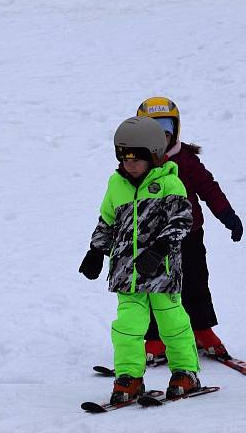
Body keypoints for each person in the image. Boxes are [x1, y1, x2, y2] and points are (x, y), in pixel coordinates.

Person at [79, 116, 201, 403]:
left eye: (137, 157)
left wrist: (159, 250)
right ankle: (129, 377)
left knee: (173, 323)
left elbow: (182, 221)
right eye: (123, 157)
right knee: (127, 327)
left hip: (161, 271)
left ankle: (186, 372)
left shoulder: (170, 184)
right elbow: (107, 222)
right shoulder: (116, 185)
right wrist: (96, 250)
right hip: (126, 274)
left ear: (155, 155)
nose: (129, 163)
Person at [135, 97, 242, 361]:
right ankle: (157, 338)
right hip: (153, 240)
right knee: (155, 288)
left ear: (176, 127)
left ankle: (201, 329)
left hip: (189, 235)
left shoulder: (186, 160)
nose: (161, 133)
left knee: (195, 282)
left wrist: (227, 215)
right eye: (152, 125)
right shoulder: (136, 164)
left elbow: (208, 188)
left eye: (165, 125)